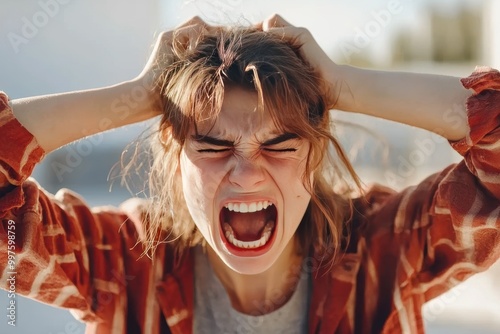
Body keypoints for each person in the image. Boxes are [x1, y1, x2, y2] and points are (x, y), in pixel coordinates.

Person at [0, 14, 499, 334]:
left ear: (314, 151)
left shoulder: (385, 248)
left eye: (281, 144)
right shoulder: (120, 265)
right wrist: (140, 94)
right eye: (213, 145)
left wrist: (341, 84)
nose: (246, 175)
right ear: (176, 152)